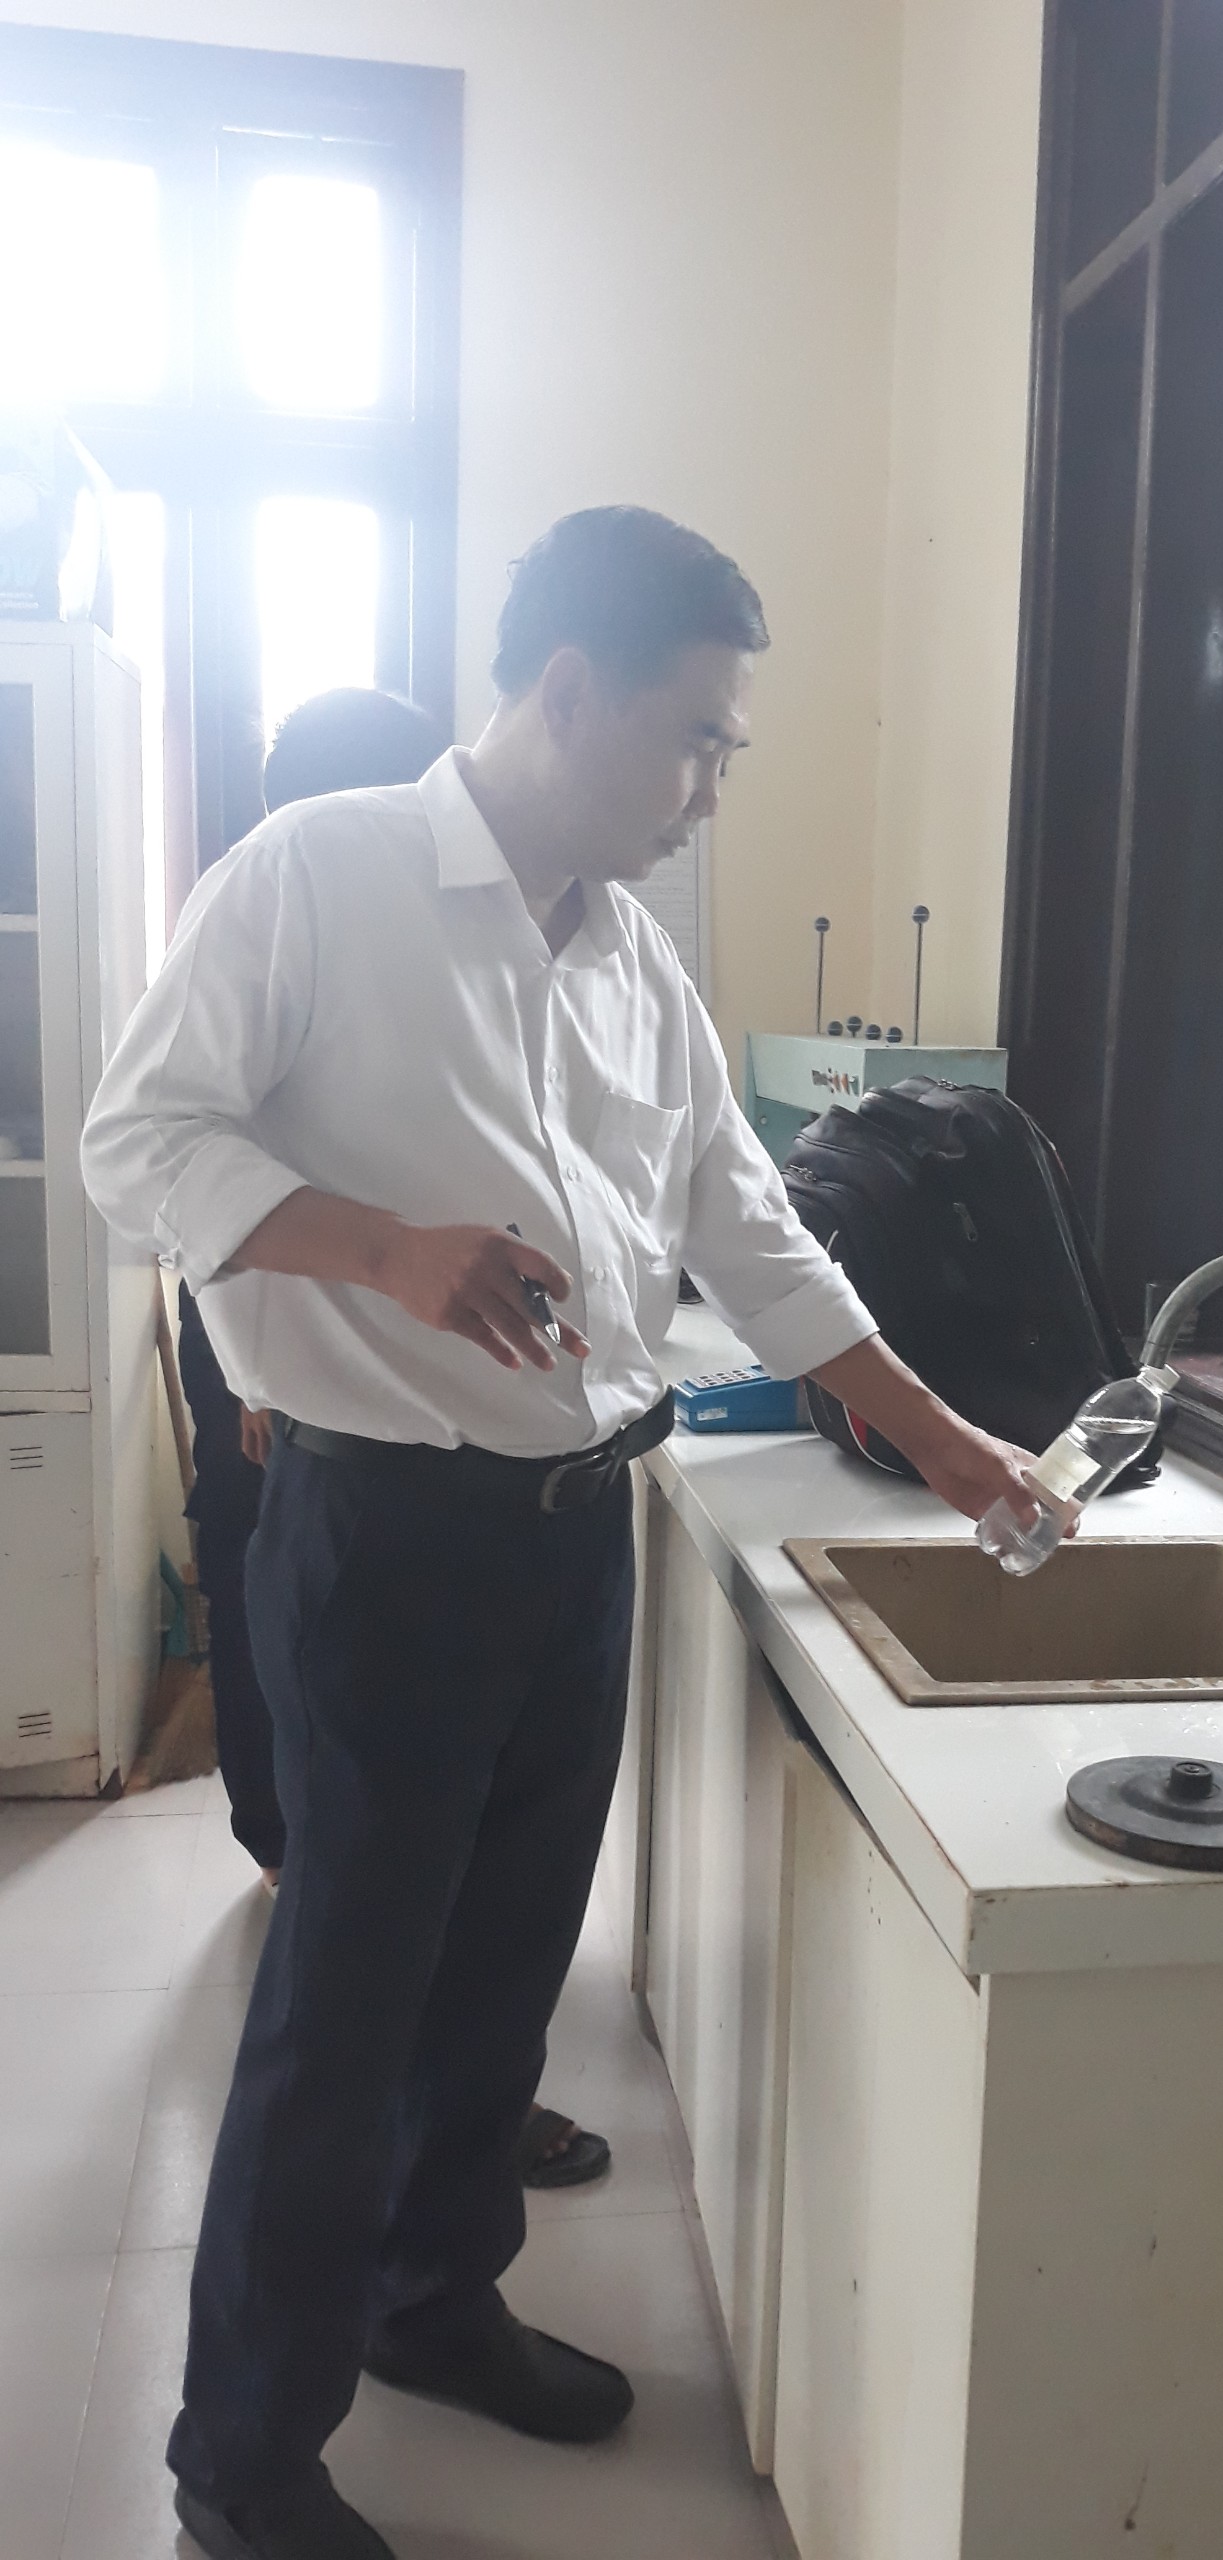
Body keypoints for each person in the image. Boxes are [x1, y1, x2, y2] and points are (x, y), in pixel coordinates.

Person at [82, 505, 1035, 2560]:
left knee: (503, 1970)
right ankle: (240, 2454)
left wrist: (946, 1439)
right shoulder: (316, 876)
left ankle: (432, 2299)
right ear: (572, 692)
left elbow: (742, 1223)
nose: (713, 785)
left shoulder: (635, 962)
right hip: (383, 1540)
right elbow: (136, 1140)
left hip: (574, 1535)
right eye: (700, 737)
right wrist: (380, 1248)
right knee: (344, 2007)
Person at [180, 685, 608, 2192]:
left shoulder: (551, 939)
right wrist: (273, 1364)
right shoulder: (284, 895)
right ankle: (295, 1871)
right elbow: (180, 1153)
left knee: (461, 1846)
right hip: (307, 1353)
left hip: (459, 1381)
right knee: (298, 1658)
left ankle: (446, 2133)